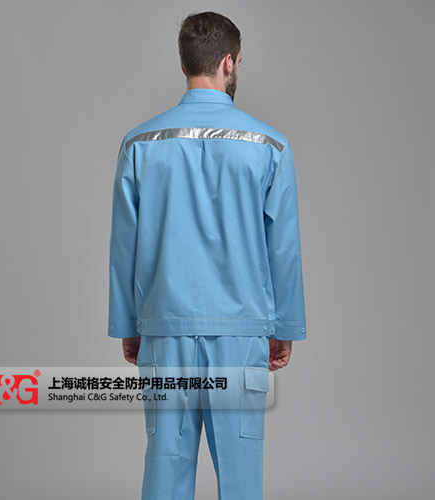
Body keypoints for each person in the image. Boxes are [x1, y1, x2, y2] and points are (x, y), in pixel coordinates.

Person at [107, 11, 307, 500]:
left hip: (164, 330)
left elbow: (124, 244)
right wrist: (285, 327)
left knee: (165, 472)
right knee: (240, 480)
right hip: (241, 335)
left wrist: (129, 324)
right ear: (229, 63)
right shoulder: (269, 146)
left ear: (184, 65)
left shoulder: (140, 144)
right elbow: (282, 247)